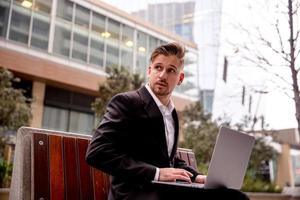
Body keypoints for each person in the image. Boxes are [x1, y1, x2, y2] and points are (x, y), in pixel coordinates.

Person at [86, 42, 248, 200]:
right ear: (149, 71)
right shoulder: (126, 102)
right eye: (158, 68)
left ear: (180, 78)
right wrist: (156, 173)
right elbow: (97, 152)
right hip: (135, 192)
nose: (163, 75)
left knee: (235, 196)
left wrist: (196, 176)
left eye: (171, 70)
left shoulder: (171, 113)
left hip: (165, 189)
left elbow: (167, 159)